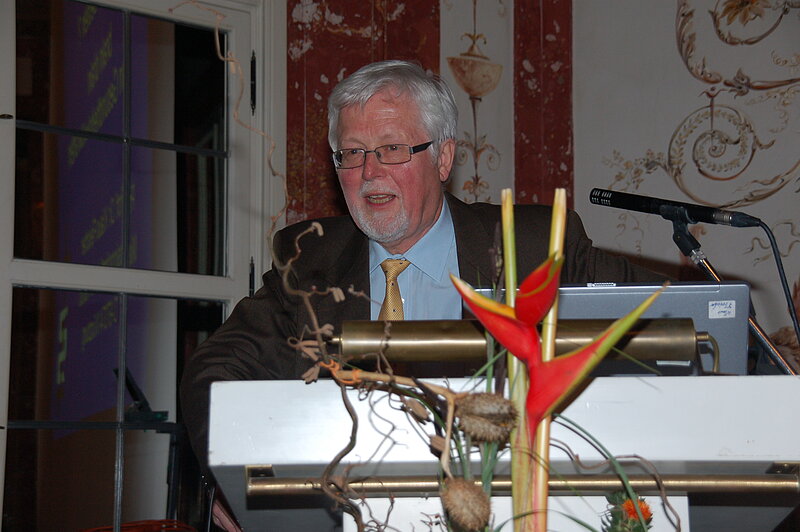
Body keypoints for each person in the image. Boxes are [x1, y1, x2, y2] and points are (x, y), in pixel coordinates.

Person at [180, 60, 664, 474]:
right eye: (351, 153)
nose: (369, 172)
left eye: (392, 149)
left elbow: (672, 319)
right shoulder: (310, 263)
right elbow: (214, 371)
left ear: (443, 157)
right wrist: (239, 476)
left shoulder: (535, 246)